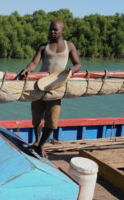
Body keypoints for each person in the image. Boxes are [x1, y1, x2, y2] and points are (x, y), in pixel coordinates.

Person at [19, 19, 81, 158]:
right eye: (51, 29)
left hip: (56, 88)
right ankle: (36, 140)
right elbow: (34, 62)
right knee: (36, 118)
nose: (52, 32)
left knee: (52, 121)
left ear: (62, 31)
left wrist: (72, 70)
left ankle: (41, 145)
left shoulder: (69, 46)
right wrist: (28, 69)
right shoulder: (43, 46)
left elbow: (78, 64)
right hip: (40, 85)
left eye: (56, 30)